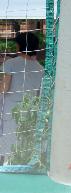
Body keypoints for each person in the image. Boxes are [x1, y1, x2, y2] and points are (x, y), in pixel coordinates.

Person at [0, 32, 44, 161]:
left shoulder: (10, 63)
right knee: (23, 145)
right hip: (29, 111)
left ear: (20, 46)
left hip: (10, 110)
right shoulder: (40, 68)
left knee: (9, 146)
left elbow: (4, 88)